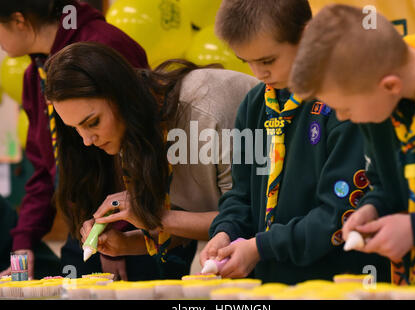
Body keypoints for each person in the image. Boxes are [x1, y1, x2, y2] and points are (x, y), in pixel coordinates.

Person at [199, 0, 390, 284]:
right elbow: (240, 195)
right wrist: (225, 231)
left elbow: (340, 214)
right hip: (271, 283)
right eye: (246, 61)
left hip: (339, 281)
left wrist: (260, 247)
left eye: (267, 61)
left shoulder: (344, 101)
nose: (257, 73)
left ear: (305, 35)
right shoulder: (255, 104)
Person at [44, 41, 259, 278]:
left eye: (92, 122)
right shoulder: (132, 130)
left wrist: (153, 215)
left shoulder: (206, 111)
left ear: (122, 96)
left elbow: (248, 218)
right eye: (76, 128)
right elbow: (190, 222)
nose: (86, 140)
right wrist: (125, 243)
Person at [289, 4, 415, 286]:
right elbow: (383, 184)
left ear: (390, 86)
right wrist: (372, 207)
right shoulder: (381, 104)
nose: (340, 117)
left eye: (345, 108)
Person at [0, 0, 151, 280]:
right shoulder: (34, 74)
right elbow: (46, 168)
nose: (86, 139)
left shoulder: (104, 44)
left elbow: (141, 143)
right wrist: (23, 243)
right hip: (83, 228)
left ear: (19, 21)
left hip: (135, 228)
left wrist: (117, 237)